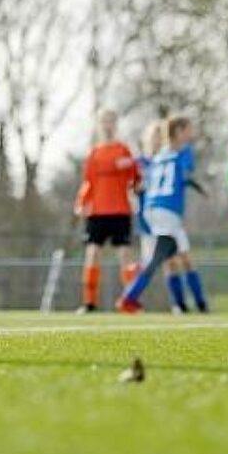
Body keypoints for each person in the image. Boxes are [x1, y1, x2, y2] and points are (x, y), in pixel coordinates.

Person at [119, 116, 208, 314]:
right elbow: (185, 174)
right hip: (167, 211)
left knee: (177, 258)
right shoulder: (182, 153)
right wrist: (199, 185)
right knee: (158, 259)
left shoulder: (158, 158)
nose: (191, 133)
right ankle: (129, 297)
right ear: (179, 132)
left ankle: (188, 306)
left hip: (153, 210)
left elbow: (144, 181)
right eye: (188, 129)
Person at [74, 109, 142, 313]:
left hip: (120, 209)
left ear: (116, 124)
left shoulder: (124, 150)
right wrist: (81, 202)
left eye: (111, 121)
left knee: (124, 255)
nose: (108, 125)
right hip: (97, 212)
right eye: (104, 121)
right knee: (92, 252)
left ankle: (130, 302)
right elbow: (88, 182)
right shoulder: (93, 153)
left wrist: (135, 180)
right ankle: (89, 303)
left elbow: (136, 179)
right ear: (98, 125)